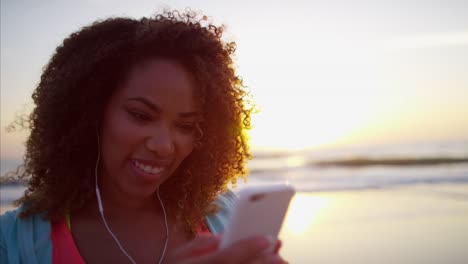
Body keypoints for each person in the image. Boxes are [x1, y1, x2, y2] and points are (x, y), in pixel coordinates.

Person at [0, 10, 288, 264]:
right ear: (91, 111)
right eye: (141, 116)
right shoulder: (12, 242)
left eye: (185, 126)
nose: (163, 146)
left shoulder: (224, 217)